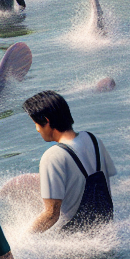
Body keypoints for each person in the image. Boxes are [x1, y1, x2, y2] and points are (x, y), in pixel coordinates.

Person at [22, 90, 117, 233]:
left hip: (73, 240)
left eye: (36, 123)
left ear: (47, 122)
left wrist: (23, 239)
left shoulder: (52, 156)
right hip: (106, 231)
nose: (36, 129)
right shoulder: (93, 139)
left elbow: (51, 215)